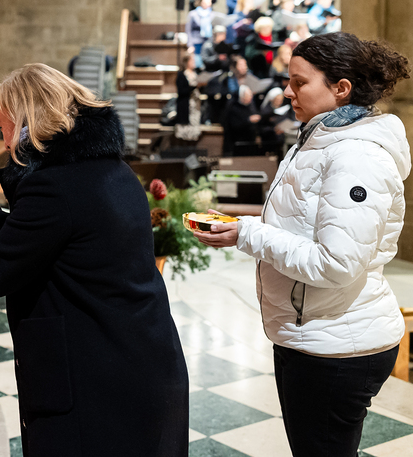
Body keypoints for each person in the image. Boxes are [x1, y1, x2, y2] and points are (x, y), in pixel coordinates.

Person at [0, 64, 189, 457]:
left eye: (3, 127)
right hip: (138, 364)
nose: (3, 140)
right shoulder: (108, 169)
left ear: (25, 123)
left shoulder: (54, 186)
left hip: (96, 382)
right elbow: (32, 238)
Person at [193, 33, 411, 457]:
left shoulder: (355, 156)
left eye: (299, 82)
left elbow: (336, 263)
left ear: (341, 88)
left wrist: (248, 234)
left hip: (337, 345)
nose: (287, 92)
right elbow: (303, 227)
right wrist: (245, 229)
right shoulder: (321, 138)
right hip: (314, 333)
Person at [222, 85, 262, 155]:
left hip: (250, 141)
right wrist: (248, 120)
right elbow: (233, 125)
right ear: (242, 97)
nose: (250, 98)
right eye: (248, 96)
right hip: (237, 141)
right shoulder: (233, 107)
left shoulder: (251, 106)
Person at [175, 52, 201, 142]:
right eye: (192, 60)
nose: (194, 62)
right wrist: (193, 87)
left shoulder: (196, 73)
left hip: (195, 104)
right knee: (185, 128)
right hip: (186, 105)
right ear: (187, 62)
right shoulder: (182, 75)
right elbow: (181, 90)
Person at [185, 0, 215, 65]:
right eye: (206, 1)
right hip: (196, 42)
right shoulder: (193, 14)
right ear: (201, 2)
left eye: (210, 1)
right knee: (197, 63)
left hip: (208, 41)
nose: (209, 3)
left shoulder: (212, 14)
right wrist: (190, 45)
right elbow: (188, 30)